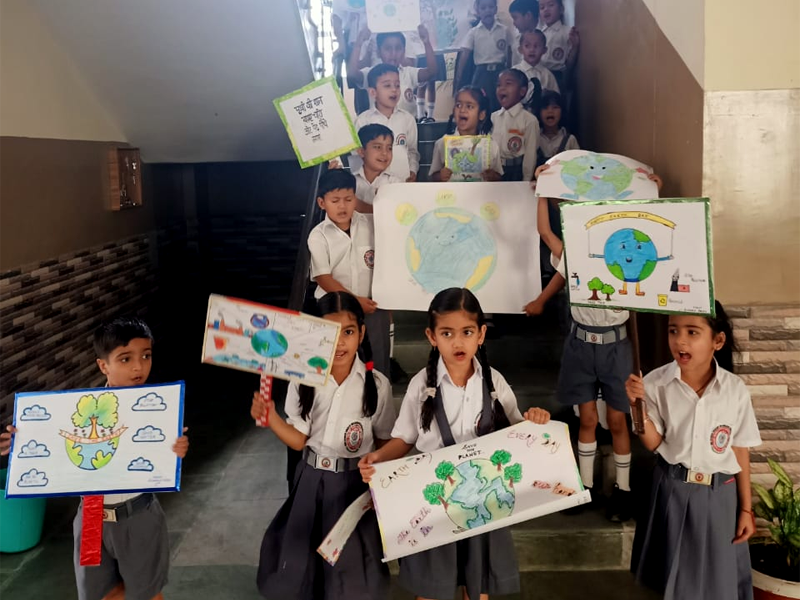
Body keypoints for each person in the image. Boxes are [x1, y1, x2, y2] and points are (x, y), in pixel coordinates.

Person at [358, 288, 551, 600]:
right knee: (431, 590)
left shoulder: (494, 383)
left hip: (484, 502)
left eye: (467, 332)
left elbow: (518, 433)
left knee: (478, 590)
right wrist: (378, 457)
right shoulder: (421, 385)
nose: (457, 342)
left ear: (481, 334)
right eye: (447, 333)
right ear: (432, 337)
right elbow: (405, 438)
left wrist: (536, 421)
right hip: (435, 501)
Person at [1, 317, 189, 600]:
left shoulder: (158, 409)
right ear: (103, 366)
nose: (138, 367)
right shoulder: (78, 409)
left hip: (137, 516)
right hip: (90, 517)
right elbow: (50, 439)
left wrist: (178, 450)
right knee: (97, 594)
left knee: (146, 594)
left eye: (146, 356)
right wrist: (20, 443)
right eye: (125, 359)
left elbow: (165, 457)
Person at [524, 171, 664, 523]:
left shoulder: (626, 254)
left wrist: (653, 190)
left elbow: (653, 235)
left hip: (616, 348)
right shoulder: (575, 252)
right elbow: (545, 233)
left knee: (617, 420)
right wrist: (543, 192)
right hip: (581, 345)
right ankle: (584, 487)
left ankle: (623, 490)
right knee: (587, 419)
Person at [254, 291, 395, 600]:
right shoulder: (303, 380)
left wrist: (378, 464)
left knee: (351, 566)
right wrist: (271, 418)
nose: (339, 342)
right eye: (329, 333)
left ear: (362, 333)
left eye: (348, 332)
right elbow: (298, 441)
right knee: (304, 562)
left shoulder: (378, 385)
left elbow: (384, 440)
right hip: (312, 480)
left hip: (355, 487)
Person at [625, 302, 761, 600]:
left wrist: (746, 509)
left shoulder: (735, 389)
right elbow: (653, 443)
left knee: (718, 583)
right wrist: (638, 407)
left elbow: (740, 449)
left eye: (692, 332)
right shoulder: (655, 383)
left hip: (720, 496)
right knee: (672, 581)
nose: (680, 341)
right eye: (673, 331)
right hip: (671, 491)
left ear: (718, 341)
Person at [307, 169, 390, 377]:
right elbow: (323, 278)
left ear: (356, 199)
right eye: (335, 200)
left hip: (372, 307)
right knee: (338, 362)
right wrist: (354, 301)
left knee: (377, 363)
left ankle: (377, 397)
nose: (342, 206)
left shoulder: (371, 224)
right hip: (334, 310)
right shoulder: (318, 236)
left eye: (348, 199)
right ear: (321, 203)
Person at [348, 27, 438, 117]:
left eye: (398, 48)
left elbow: (432, 71)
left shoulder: (409, 73)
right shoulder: (372, 73)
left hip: (407, 125)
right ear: (378, 52)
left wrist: (426, 43)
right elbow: (352, 75)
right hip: (381, 124)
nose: (393, 53)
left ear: (404, 51)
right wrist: (358, 45)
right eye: (388, 48)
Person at [353, 63, 420, 182]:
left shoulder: (407, 119)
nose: (394, 90)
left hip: (402, 182)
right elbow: (356, 155)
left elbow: (412, 151)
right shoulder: (363, 121)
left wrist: (412, 171)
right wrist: (362, 183)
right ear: (373, 92)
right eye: (387, 85)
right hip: (370, 186)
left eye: (397, 85)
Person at [428, 86, 503, 182]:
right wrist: (440, 176)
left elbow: (499, 177)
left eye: (469, 106)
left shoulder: (491, 145)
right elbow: (433, 177)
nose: (462, 110)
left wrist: (493, 176)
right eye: (458, 105)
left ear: (481, 115)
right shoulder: (442, 143)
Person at [455, 0, 511, 114]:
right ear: (478, 11)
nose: (487, 11)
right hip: (481, 74)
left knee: (501, 103)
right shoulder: (474, 32)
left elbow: (510, 52)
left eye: (491, 7)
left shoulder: (504, 30)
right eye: (483, 8)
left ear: (495, 9)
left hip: (500, 72)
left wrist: (510, 70)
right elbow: (465, 53)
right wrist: (459, 76)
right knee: (480, 103)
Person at [492, 68, 540, 181]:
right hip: (495, 171)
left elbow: (530, 155)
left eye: (508, 84)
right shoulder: (493, 117)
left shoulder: (529, 120)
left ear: (522, 91)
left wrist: (526, 179)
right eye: (498, 85)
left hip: (516, 172)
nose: (502, 88)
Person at [352, 124, 404, 214]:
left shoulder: (396, 183)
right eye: (378, 147)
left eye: (389, 148)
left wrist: (358, 205)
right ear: (361, 151)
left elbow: (397, 214)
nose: (384, 153)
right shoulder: (351, 181)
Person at [537, 0, 579, 92]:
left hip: (558, 76)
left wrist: (575, 47)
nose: (546, 9)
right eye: (542, 7)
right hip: (540, 74)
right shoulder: (539, 33)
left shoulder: (567, 32)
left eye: (551, 5)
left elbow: (570, 61)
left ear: (561, 9)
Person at [514, 29, 560, 113]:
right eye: (527, 46)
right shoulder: (513, 73)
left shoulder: (548, 75)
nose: (532, 50)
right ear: (520, 49)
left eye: (537, 46)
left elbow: (556, 99)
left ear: (544, 50)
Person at [536, 90, 579, 168]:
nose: (550, 111)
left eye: (555, 107)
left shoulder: (570, 140)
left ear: (562, 111)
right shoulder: (534, 138)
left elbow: (578, 165)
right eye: (545, 108)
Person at [509, 0, 539, 66]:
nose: (514, 23)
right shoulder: (517, 39)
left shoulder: (545, 36)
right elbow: (514, 66)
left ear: (528, 15)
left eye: (515, 18)